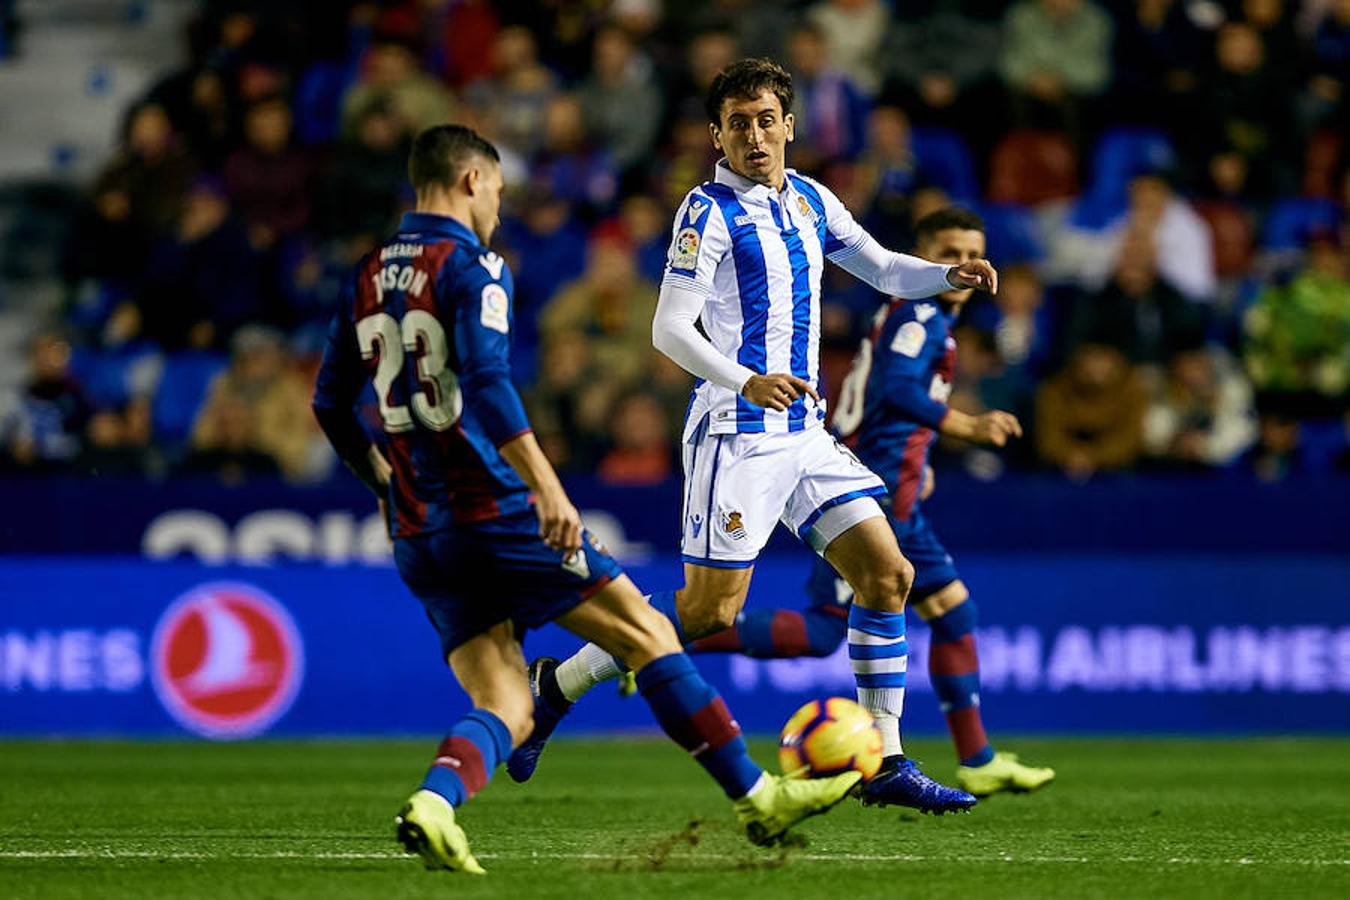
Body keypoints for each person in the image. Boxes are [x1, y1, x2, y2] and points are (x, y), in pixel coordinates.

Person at [311, 124, 860, 875]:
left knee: (506, 699)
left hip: (417, 526)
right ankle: (758, 796)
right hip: (494, 507)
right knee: (649, 632)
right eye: (498, 194)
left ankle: (434, 804)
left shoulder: (368, 273)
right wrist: (546, 489)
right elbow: (492, 387)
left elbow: (331, 405)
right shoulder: (475, 267)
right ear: (473, 181)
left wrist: (383, 482)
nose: (497, 211)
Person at [511, 59, 999, 814]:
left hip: (803, 432)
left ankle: (885, 760)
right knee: (709, 616)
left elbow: (883, 269)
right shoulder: (706, 211)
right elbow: (668, 328)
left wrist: (949, 276)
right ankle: (555, 684)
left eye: (766, 119)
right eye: (738, 123)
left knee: (888, 576)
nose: (755, 134)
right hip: (736, 430)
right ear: (719, 134)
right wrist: (745, 380)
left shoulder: (809, 198)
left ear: (789, 126)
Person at [686, 209, 1056, 797]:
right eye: (948, 251)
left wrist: (923, 461)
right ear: (925, 256)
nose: (962, 264)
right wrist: (968, 426)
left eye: (972, 251)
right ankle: (661, 640)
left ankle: (972, 757)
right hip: (870, 494)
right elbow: (898, 391)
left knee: (946, 613)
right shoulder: (919, 316)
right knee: (822, 631)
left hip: (895, 489)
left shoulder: (928, 319)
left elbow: (885, 405)